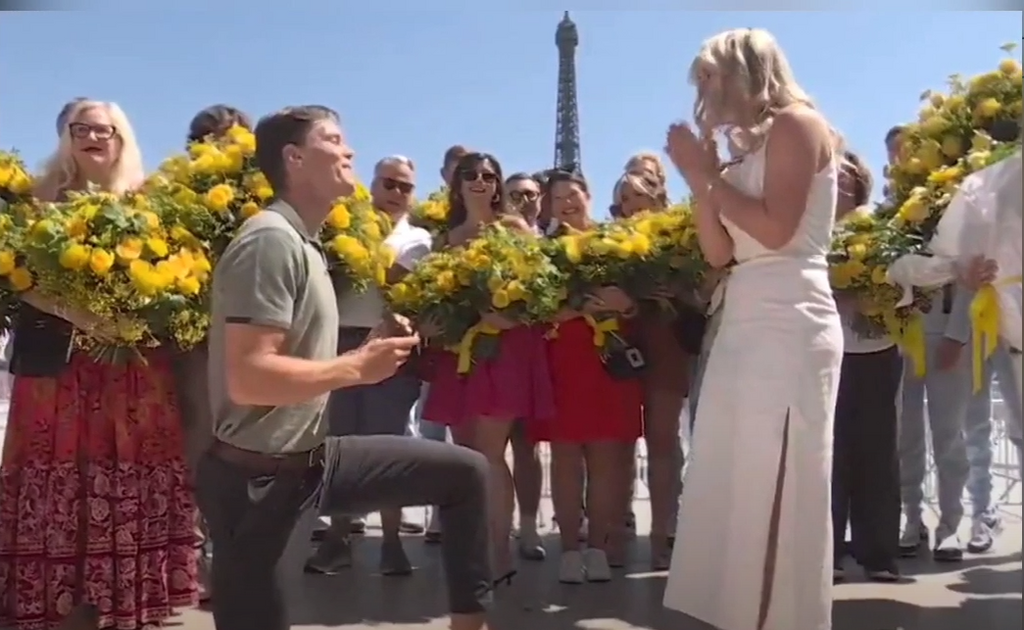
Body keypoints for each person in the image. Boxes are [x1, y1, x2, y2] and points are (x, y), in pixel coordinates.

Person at [196, 105, 494, 630]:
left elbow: (298, 359)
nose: (350, 150)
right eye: (333, 140)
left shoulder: (306, 244)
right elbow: (250, 376)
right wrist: (357, 367)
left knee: (464, 474)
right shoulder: (269, 241)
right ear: (294, 158)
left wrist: (375, 345)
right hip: (256, 482)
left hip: (308, 461)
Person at [662, 28, 843, 630]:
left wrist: (703, 175)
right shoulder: (738, 153)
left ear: (744, 71)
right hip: (742, 315)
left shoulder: (799, 125)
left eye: (709, 77)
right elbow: (718, 253)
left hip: (792, 314)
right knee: (736, 471)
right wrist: (702, 178)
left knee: (781, 473)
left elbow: (776, 232)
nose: (702, 91)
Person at [0, 100, 198, 630]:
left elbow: (178, 283)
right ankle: (60, 607)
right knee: (58, 483)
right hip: (56, 376)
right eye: (79, 128)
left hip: (132, 371)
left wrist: (127, 319)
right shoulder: (35, 203)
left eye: (102, 129)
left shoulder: (150, 203)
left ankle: (120, 605)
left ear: (121, 137)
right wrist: (84, 315)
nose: (91, 136)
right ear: (65, 137)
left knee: (123, 477)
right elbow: (20, 281)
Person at [421, 152, 555, 583]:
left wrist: (506, 317)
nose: (479, 181)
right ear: (456, 184)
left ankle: (500, 552)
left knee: (492, 454)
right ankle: (474, 549)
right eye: (470, 175)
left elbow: (541, 289)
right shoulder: (446, 239)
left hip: (505, 350)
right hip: (458, 354)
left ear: (497, 185)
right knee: (466, 458)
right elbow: (432, 299)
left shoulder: (514, 228)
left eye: (488, 175)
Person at [304, 154, 432, 576]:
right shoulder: (341, 226)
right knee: (338, 445)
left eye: (404, 187)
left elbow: (398, 282)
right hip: (339, 341)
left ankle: (392, 543)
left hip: (390, 345)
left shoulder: (418, 239)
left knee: (389, 444)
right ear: (372, 186)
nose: (396, 193)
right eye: (388, 184)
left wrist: (355, 252)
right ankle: (338, 539)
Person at [531, 170, 643, 583]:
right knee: (564, 459)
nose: (566, 203)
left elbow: (638, 305)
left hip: (608, 359)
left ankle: (598, 546)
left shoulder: (620, 244)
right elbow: (538, 308)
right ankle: (569, 550)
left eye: (573, 194)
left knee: (606, 460)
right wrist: (582, 308)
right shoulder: (544, 251)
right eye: (557, 198)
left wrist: (625, 304)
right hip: (564, 358)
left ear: (588, 195)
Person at [174, 103, 257, 604]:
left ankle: (239, 554)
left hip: (254, 334)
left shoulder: (263, 194)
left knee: (250, 448)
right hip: (195, 336)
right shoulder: (181, 194)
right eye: (208, 137)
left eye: (230, 137)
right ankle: (196, 554)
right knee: (200, 442)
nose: (220, 144)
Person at [611, 155, 688, 569]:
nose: (631, 203)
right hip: (621, 343)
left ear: (657, 197)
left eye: (639, 195)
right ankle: (618, 524)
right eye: (624, 197)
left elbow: (697, 287)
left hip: (666, 345)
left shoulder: (679, 238)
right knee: (620, 440)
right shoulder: (606, 243)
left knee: (661, 439)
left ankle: (665, 531)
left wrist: (669, 290)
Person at [830, 152, 903, 583]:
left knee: (878, 452)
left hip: (878, 349)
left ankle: (878, 554)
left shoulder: (880, 228)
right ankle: (830, 552)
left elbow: (903, 282)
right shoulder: (808, 227)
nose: (839, 182)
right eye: (832, 174)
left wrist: (875, 298)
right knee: (832, 453)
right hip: (828, 353)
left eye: (847, 176)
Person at [418, 143, 470, 544]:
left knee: (470, 437)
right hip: (441, 342)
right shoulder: (430, 222)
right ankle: (437, 513)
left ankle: (469, 513)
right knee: (432, 432)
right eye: (458, 171)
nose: (464, 179)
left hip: (479, 340)